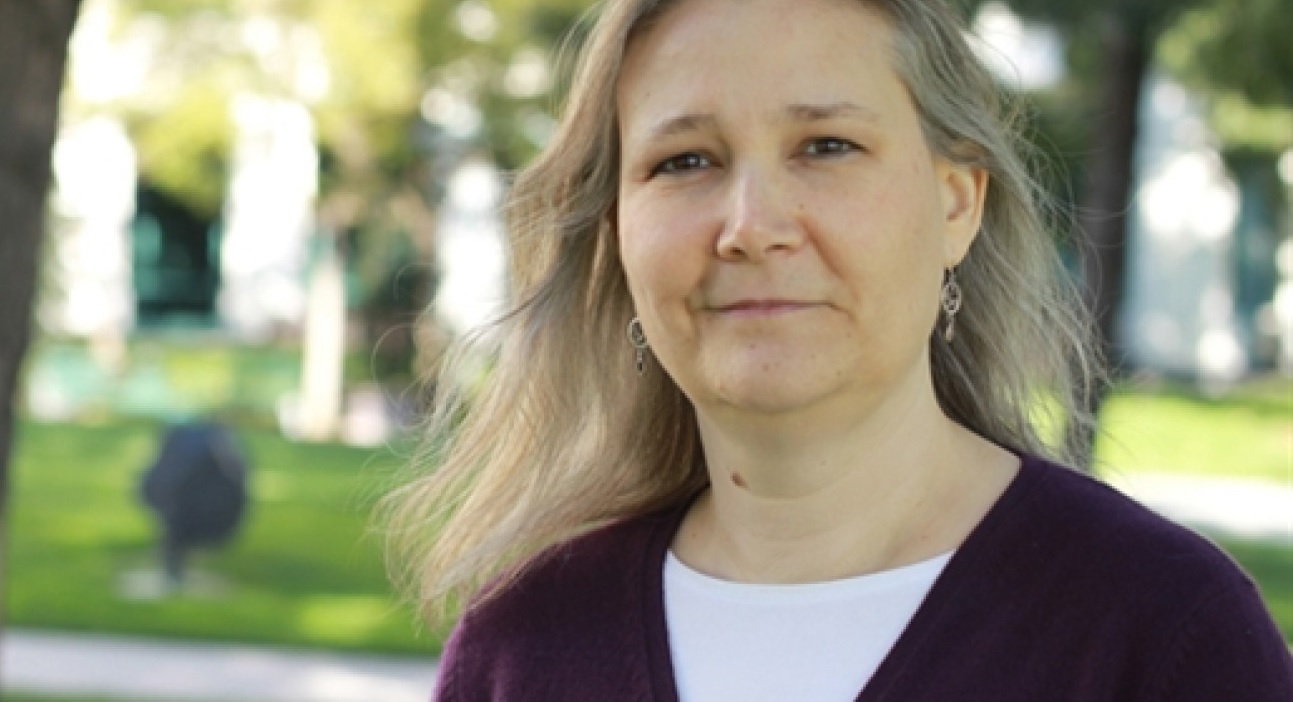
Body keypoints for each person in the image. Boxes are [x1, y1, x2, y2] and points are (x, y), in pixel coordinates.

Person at [382, 0, 1293, 699]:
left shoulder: (1161, 634)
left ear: (955, 205)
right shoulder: (522, 650)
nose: (751, 226)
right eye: (685, 160)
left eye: (825, 146)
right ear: (618, 233)